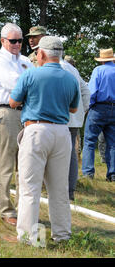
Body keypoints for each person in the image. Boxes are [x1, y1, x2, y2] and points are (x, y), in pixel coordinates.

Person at [9, 36, 80, 245]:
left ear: (41, 54)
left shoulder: (30, 74)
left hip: (37, 130)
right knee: (59, 189)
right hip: (62, 132)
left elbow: (13, 102)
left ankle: (28, 237)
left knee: (30, 187)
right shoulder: (70, 78)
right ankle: (62, 235)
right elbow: (74, 108)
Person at [0, 23, 33, 226]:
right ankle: (7, 210)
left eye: (20, 41)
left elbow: (30, 83)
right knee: (6, 164)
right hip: (6, 112)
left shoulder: (24, 61)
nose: (17, 44)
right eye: (12, 41)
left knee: (25, 164)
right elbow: (16, 86)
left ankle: (23, 208)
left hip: (26, 112)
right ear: (2, 40)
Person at [81, 48, 115, 182]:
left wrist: (88, 107)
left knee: (89, 141)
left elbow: (92, 92)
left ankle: (88, 173)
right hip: (114, 108)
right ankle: (112, 174)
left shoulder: (98, 71)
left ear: (101, 60)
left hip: (99, 108)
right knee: (112, 143)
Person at [59, 56, 90, 200]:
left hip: (58, 119)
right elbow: (86, 92)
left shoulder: (54, 67)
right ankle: (70, 191)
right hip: (73, 119)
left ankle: (59, 189)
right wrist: (81, 111)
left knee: (55, 153)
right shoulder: (73, 69)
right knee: (70, 153)